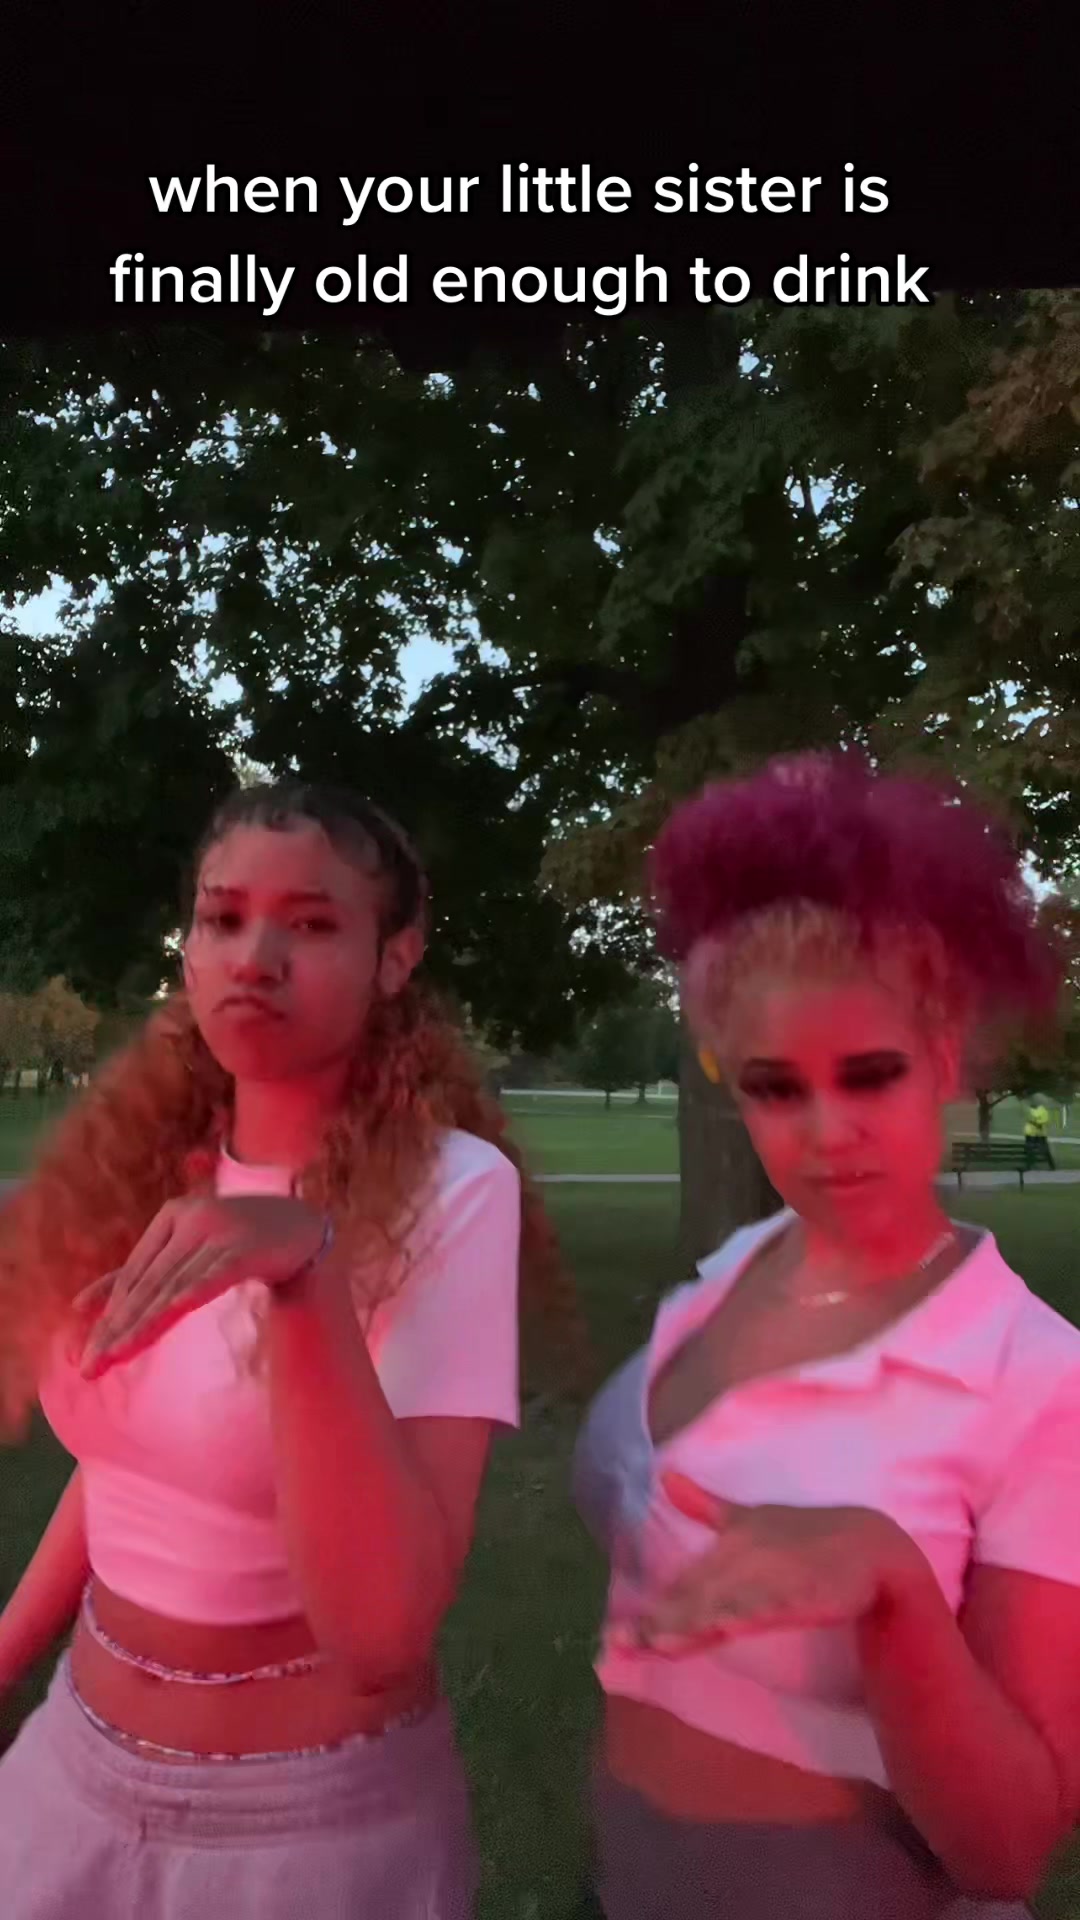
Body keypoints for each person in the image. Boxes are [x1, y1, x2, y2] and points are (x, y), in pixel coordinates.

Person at [0, 780, 577, 1919]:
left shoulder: (451, 1193)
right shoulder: (136, 1169)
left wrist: (305, 1273)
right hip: (72, 1770)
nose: (254, 958)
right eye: (223, 918)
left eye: (310, 924)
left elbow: (380, 1631)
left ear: (394, 957)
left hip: (303, 1828)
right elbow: (127, 1464)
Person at [573, 752, 1080, 1918]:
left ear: (945, 1056)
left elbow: (1008, 1849)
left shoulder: (1036, 1380)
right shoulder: (726, 1281)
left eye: (870, 1076)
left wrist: (894, 1592)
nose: (825, 1133)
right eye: (775, 1087)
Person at [1023, 1100, 1054, 1169]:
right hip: (1030, 1134)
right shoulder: (1029, 1110)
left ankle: (1051, 1165)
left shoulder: (1043, 1111)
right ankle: (1029, 1165)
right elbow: (1029, 1119)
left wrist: (1033, 1121)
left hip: (1040, 1134)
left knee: (1044, 1150)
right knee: (1029, 1150)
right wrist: (1033, 1121)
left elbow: (1042, 1122)